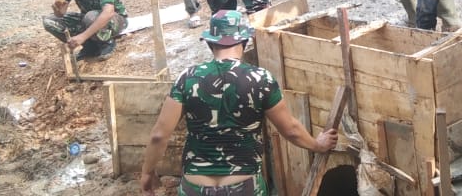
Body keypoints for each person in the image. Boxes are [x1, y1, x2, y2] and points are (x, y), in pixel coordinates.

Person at [139, 10, 339, 196]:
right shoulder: (261, 79)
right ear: (244, 41)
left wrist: (147, 173)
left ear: (210, 43)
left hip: (195, 186)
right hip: (245, 186)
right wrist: (317, 145)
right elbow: (291, 130)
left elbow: (159, 135)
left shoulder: (187, 78)